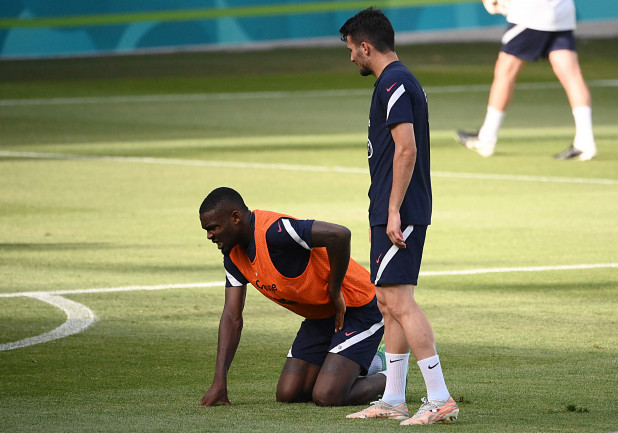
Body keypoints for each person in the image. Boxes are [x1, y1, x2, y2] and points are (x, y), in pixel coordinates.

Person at [339, 8, 459, 425]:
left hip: (399, 210)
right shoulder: (397, 81)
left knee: (401, 302)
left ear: (366, 46)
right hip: (391, 208)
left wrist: (393, 211)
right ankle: (393, 397)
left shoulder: (394, 82)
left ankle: (440, 397)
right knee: (387, 303)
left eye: (352, 49)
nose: (351, 57)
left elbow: (406, 148)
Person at [198, 187, 387, 407]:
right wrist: (220, 381)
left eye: (213, 228)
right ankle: (364, 363)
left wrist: (335, 290)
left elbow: (339, 234)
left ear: (235, 217)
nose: (209, 235)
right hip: (322, 316)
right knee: (289, 392)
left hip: (361, 306)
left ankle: (390, 376)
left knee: (327, 396)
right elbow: (232, 317)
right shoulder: (233, 255)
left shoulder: (274, 232)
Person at [455, 0, 597, 161]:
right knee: (571, 74)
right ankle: (585, 142)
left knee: (505, 71)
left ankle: (486, 138)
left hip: (533, 12)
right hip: (562, 11)